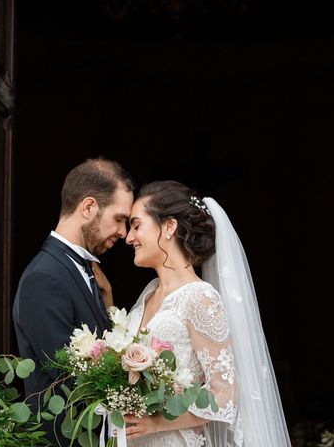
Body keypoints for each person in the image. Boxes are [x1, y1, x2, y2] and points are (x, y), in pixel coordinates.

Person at [122, 180, 291, 447]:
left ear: (169, 227)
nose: (129, 237)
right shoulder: (149, 292)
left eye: (136, 225)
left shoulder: (200, 297)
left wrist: (157, 423)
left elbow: (225, 395)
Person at [12, 157, 134, 446]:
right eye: (119, 219)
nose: (123, 233)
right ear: (89, 207)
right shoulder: (43, 278)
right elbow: (68, 378)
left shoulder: (88, 272)